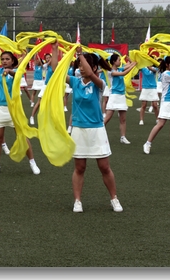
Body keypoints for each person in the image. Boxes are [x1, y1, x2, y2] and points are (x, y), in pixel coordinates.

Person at [69, 46, 122, 213]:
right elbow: (56, 70)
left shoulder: (100, 83)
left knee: (105, 167)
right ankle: (77, 201)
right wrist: (55, 49)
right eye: (79, 65)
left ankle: (114, 198)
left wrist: (80, 55)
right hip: (79, 129)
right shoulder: (75, 82)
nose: (80, 68)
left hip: (97, 130)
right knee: (80, 168)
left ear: (93, 67)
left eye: (83, 65)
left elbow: (91, 75)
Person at [0, 50, 40, 175]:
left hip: (13, 109)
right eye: (2, 59)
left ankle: (33, 163)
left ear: (12, 61)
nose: (4, 61)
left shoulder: (17, 71)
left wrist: (9, 71)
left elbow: (15, 74)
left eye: (7, 59)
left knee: (22, 136)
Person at [103, 53, 138, 144]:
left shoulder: (119, 68)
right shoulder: (111, 71)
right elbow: (124, 73)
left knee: (123, 119)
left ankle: (123, 137)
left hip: (121, 96)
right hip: (114, 96)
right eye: (119, 60)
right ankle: (99, 134)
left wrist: (131, 60)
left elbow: (130, 65)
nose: (120, 61)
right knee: (107, 118)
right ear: (114, 61)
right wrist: (133, 65)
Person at [29, 53, 54, 126]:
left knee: (52, 103)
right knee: (39, 102)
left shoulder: (55, 66)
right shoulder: (45, 66)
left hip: (52, 87)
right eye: (46, 58)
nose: (48, 59)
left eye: (49, 58)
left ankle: (50, 120)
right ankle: (32, 116)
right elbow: (43, 62)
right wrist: (36, 53)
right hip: (45, 86)